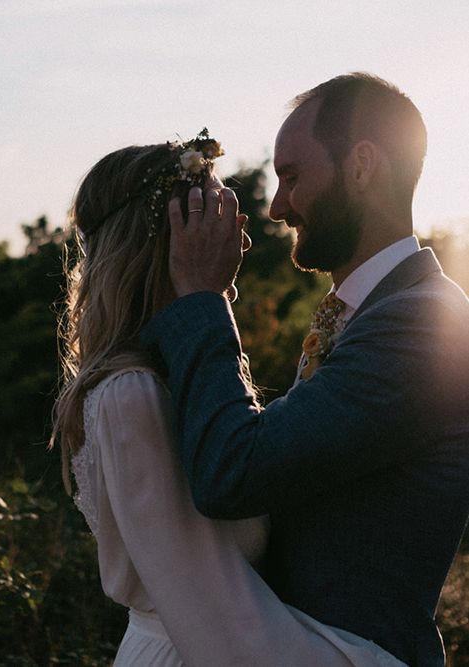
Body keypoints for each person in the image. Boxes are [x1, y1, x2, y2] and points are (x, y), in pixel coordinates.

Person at [140, 73, 469, 667]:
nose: (277, 206)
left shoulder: (424, 325)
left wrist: (201, 302)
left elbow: (232, 473)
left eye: (292, 178)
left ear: (362, 167)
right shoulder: (367, 312)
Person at [52, 130, 406, 665]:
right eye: (219, 215)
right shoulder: (134, 396)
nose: (242, 239)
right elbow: (224, 625)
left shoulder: (164, 378)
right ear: (170, 239)